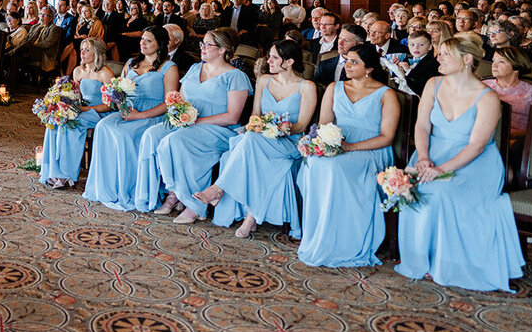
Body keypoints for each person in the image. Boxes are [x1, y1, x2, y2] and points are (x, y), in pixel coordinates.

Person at [396, 37, 525, 291]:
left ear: (467, 59)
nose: (438, 58)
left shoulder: (488, 98)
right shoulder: (433, 84)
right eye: (439, 53)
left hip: (474, 163)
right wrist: (423, 157)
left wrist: (441, 170)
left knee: (442, 191)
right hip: (431, 152)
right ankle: (421, 257)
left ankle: (447, 262)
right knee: (413, 186)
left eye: (445, 54)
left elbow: (477, 145)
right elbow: (421, 125)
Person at [196, 39, 317, 238]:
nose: (268, 60)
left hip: (290, 141)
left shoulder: (307, 87)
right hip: (261, 136)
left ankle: (219, 189)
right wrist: (260, 127)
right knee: (250, 141)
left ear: (289, 62)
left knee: (250, 141)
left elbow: (303, 125)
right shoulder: (264, 80)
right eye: (269, 55)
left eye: (274, 57)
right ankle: (251, 217)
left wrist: (283, 129)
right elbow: (254, 116)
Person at [297, 44, 397, 268]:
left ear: (369, 68)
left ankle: (344, 240)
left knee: (334, 168)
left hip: (370, 149)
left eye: (354, 62)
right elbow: (324, 124)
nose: (348, 66)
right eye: (347, 61)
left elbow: (387, 137)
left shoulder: (386, 94)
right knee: (314, 162)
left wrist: (351, 147)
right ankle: (320, 234)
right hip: (338, 143)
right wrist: (323, 143)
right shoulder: (335, 87)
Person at [148, 28, 254, 223]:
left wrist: (196, 121)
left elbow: (232, 117)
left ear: (222, 50)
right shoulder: (196, 68)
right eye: (202, 44)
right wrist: (179, 114)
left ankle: (194, 204)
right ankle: (173, 192)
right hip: (190, 123)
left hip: (220, 130)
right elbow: (180, 98)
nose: (202, 48)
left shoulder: (235, 76)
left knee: (175, 141)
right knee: (154, 134)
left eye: (208, 45)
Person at [83, 27, 179, 210]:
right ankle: (107, 186)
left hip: (152, 114)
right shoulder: (131, 63)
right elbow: (118, 91)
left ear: (160, 44)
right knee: (103, 125)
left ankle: (129, 188)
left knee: (123, 134)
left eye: (149, 40)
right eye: (142, 39)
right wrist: (122, 107)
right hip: (128, 111)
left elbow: (169, 102)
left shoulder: (169, 68)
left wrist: (140, 115)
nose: (142, 43)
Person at [39, 38, 115, 189]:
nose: (82, 52)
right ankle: (52, 170)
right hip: (81, 109)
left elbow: (110, 105)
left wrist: (85, 109)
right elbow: (76, 96)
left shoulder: (105, 73)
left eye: (87, 50)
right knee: (53, 122)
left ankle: (67, 174)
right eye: (82, 49)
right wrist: (62, 104)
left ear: (97, 53)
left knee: (70, 125)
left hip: (99, 112)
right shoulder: (78, 71)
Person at [484, 46, 532, 142]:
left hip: (518, 142)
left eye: (501, 61)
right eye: (493, 60)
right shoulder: (483, 86)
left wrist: (506, 135)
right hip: (486, 136)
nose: (494, 65)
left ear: (516, 66)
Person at [59, 3, 104, 72]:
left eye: (86, 11)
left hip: (90, 44)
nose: (84, 13)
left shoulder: (97, 23)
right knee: (73, 51)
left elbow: (98, 37)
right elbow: (75, 35)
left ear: (91, 12)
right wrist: (80, 37)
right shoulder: (80, 23)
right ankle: (68, 74)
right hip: (79, 43)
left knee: (72, 44)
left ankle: (59, 62)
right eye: (82, 11)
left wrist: (87, 38)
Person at [395, 30, 439, 97]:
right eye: (412, 45)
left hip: (420, 99)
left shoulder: (432, 64)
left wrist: (409, 71)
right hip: (404, 96)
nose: (416, 47)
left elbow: (423, 85)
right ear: (408, 46)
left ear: (430, 47)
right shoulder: (406, 60)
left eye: (421, 45)